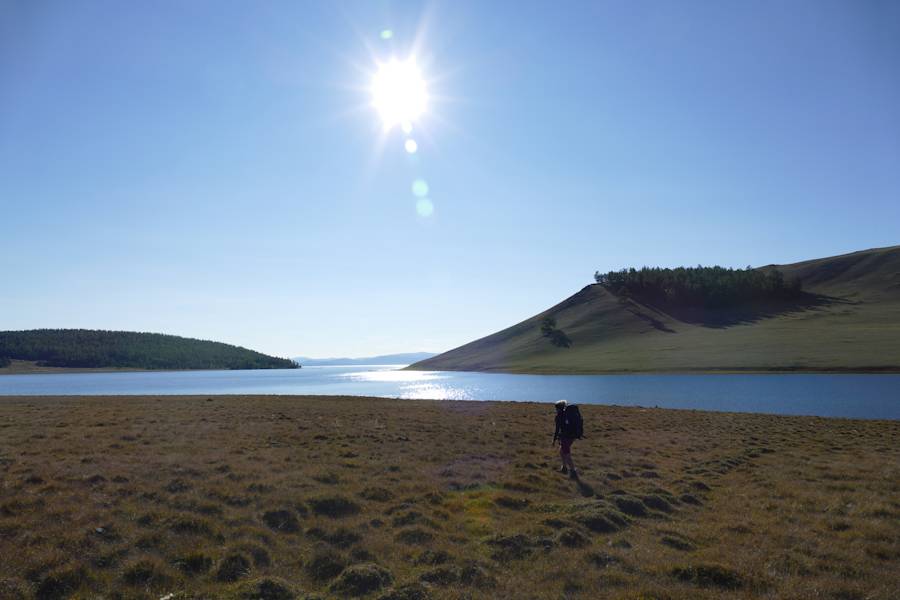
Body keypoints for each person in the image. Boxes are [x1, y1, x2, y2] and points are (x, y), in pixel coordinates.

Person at [553, 399, 578, 479]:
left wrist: (554, 439)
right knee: (562, 451)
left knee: (567, 454)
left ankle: (573, 472)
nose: (556, 410)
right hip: (572, 436)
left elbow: (557, 429)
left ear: (559, 408)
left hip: (565, 437)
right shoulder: (568, 414)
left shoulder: (559, 416)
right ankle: (564, 468)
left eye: (556, 408)